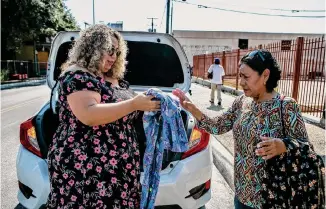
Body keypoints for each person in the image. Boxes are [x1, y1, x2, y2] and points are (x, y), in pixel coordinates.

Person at [173, 49, 325, 208]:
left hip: (273, 198)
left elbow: (306, 146)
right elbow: (218, 126)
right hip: (242, 195)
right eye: (240, 76)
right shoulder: (241, 102)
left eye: (246, 77)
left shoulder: (286, 106)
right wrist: (193, 110)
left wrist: (283, 145)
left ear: (265, 75)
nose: (242, 82)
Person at [46, 24, 160, 209]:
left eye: (117, 51)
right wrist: (133, 104)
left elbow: (123, 110)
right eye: (108, 50)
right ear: (92, 48)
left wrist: (152, 104)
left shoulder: (110, 78)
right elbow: (89, 114)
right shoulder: (78, 76)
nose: (113, 56)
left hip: (117, 171)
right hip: (87, 170)